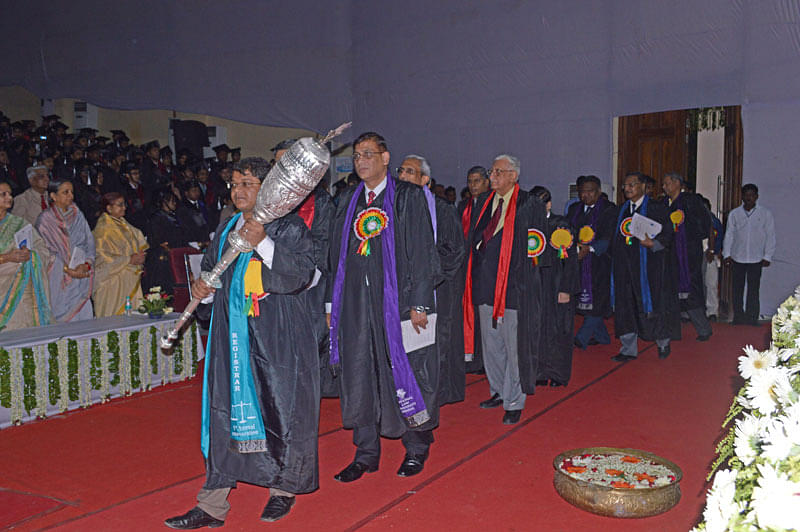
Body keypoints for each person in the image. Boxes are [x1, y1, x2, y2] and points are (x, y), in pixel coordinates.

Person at [164, 157, 318, 528]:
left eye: (247, 183)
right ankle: (212, 503)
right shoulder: (226, 228)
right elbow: (213, 274)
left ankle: (282, 489)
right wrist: (204, 289)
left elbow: (301, 274)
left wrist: (263, 241)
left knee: (280, 410)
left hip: (276, 338)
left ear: (267, 188)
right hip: (230, 337)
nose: (238, 191)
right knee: (223, 411)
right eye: (234, 184)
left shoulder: (288, 226)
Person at [327, 132, 439, 481]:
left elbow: (422, 252)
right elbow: (334, 256)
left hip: (398, 303)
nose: (361, 161)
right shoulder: (347, 200)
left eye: (368, 154)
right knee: (359, 372)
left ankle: (416, 448)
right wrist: (331, 303)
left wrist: (420, 301)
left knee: (406, 373)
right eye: (356, 156)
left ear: (386, 158)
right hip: (355, 305)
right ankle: (366, 453)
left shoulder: (407, 196)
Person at [466, 154, 547, 424]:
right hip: (485, 284)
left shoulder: (529, 203)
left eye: (498, 172)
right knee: (491, 345)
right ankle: (498, 390)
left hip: (514, 288)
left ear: (514, 175)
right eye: (492, 171)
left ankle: (514, 400)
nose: (492, 176)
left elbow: (538, 249)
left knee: (514, 347)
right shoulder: (484, 202)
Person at [398, 154, 466, 405]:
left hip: (436, 288)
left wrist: (426, 273)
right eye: (401, 171)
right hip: (401, 289)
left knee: (435, 343)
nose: (402, 176)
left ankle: (434, 394)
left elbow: (454, 250)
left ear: (425, 179)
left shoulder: (442, 209)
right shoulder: (392, 206)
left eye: (410, 172)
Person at [273, 139, 337, 397]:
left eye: (286, 162)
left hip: (311, 284)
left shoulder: (320, 201)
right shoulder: (270, 197)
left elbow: (325, 245)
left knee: (310, 339)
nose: (280, 169)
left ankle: (308, 393)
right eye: (277, 163)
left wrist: (302, 275)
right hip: (274, 281)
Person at [610, 172, 677, 361]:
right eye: (625, 185)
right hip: (624, 268)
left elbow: (668, 234)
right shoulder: (621, 210)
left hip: (649, 268)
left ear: (643, 186)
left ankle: (662, 343)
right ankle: (628, 349)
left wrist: (654, 244)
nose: (627, 188)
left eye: (632, 184)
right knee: (625, 306)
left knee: (654, 304)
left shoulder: (657, 208)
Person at [531, 186, 578, 387]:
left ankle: (558, 374)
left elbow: (571, 260)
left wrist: (566, 289)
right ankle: (539, 372)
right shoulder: (528, 228)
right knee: (537, 328)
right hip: (536, 286)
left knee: (559, 329)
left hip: (557, 284)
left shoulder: (561, 225)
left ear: (549, 204)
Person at [566, 175, 617, 349]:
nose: (585, 195)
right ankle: (602, 337)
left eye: (590, 191)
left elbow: (609, 235)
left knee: (599, 299)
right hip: (579, 260)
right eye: (582, 192)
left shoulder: (609, 209)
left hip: (600, 261)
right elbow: (568, 231)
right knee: (585, 298)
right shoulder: (574, 209)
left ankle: (582, 337)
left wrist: (590, 248)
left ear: (599, 191)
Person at [661, 173, 713, 341]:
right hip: (669, 254)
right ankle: (671, 330)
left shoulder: (692, 201)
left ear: (677, 183)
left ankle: (703, 329)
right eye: (663, 184)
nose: (664, 187)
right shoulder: (664, 203)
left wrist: (688, 238)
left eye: (667, 183)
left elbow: (705, 224)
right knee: (670, 292)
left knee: (691, 291)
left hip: (688, 255)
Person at [35, 179, 95, 322]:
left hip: (81, 276)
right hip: (59, 280)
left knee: (86, 321)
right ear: (53, 196)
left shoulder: (78, 215)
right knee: (64, 326)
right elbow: (44, 254)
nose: (70, 196)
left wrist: (86, 265)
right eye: (65, 192)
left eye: (71, 192)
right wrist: (68, 270)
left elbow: (89, 242)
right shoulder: (45, 220)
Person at [0, 180, 52, 330]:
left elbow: (42, 248)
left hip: (22, 287)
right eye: (3, 194)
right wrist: (7, 258)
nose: (9, 197)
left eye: (10, 194)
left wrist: (30, 255)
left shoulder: (20, 223)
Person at [723, 183, 776, 326]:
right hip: (737, 257)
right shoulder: (734, 214)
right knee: (737, 289)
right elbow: (729, 235)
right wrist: (726, 254)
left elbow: (770, 236)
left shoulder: (765, 214)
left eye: (752, 195)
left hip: (756, 258)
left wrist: (767, 256)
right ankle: (738, 317)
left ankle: (752, 318)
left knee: (753, 290)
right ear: (742, 196)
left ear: (757, 197)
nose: (749, 198)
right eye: (746, 195)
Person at [92, 192, 147, 317]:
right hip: (111, 283)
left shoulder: (123, 224)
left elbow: (138, 240)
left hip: (128, 278)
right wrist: (129, 259)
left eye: (124, 204)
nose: (124, 207)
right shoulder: (103, 231)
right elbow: (102, 258)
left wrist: (139, 256)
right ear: (109, 208)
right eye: (120, 205)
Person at [457, 165, 490, 374]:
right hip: (465, 268)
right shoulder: (463, 206)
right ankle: (470, 357)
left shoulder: (494, 205)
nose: (473, 185)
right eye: (470, 181)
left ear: (487, 182)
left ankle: (484, 360)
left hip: (484, 269)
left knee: (483, 317)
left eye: (477, 181)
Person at [142, 189, 188, 295]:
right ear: (164, 202)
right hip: (163, 257)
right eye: (172, 201)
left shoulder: (175, 217)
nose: (175, 203)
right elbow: (157, 240)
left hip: (176, 253)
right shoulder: (156, 219)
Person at [700, 196, 723, 321]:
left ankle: (712, 311)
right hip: (697, 255)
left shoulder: (715, 222)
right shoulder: (694, 220)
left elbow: (719, 239)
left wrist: (713, 251)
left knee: (711, 284)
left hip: (710, 256)